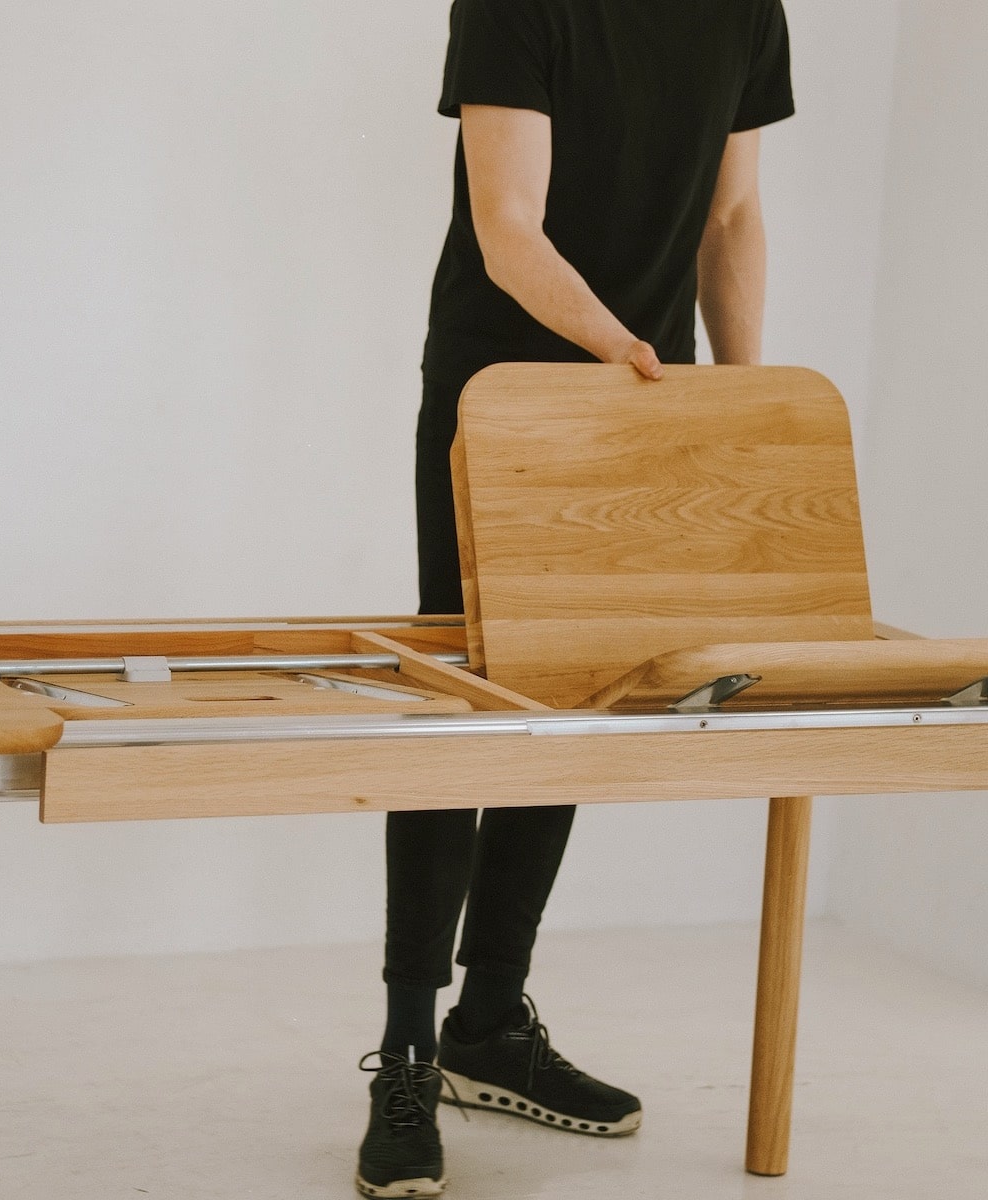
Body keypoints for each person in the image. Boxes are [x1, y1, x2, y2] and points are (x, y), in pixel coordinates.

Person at [357, 2, 794, 1196]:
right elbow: (508, 227)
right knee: (464, 708)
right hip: (501, 389)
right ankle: (408, 1051)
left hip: (642, 393)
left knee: (580, 695)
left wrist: (740, 399)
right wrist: (626, 353)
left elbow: (733, 214)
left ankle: (490, 1023)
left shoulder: (746, 10)